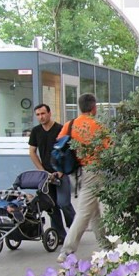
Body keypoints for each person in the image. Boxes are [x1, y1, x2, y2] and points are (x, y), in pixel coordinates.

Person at [56, 93, 109, 262]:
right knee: (86, 211)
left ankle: (106, 246)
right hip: (95, 170)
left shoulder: (70, 125)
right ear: (94, 108)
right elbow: (110, 147)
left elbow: (60, 143)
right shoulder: (98, 125)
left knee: (94, 210)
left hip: (77, 172)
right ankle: (67, 250)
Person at [28, 103, 75, 243]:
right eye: (38, 115)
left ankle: (75, 229)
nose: (41, 117)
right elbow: (32, 151)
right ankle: (60, 235)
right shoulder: (36, 131)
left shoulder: (60, 129)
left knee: (63, 203)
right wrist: (41, 171)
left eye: (43, 113)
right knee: (51, 205)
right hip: (46, 175)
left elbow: (68, 151)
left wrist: (61, 171)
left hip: (61, 173)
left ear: (49, 113)